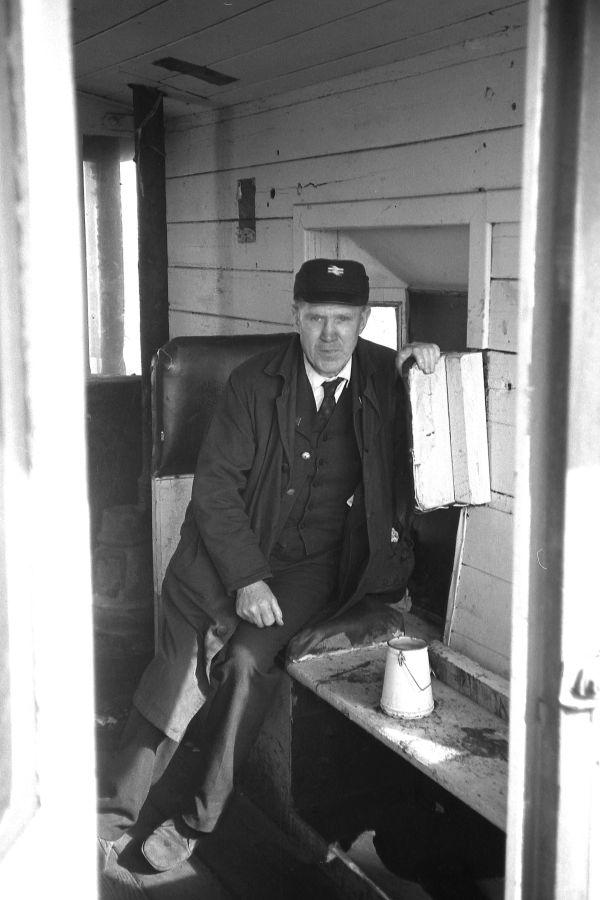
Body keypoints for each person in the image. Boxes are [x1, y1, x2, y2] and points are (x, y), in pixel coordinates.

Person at [97, 258, 440, 873]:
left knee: (253, 662)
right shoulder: (253, 383)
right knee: (180, 671)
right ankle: (110, 816)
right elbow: (215, 490)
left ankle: (197, 821)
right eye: (315, 318)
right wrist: (246, 577)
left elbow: (437, 385)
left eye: (343, 319)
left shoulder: (383, 378)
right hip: (221, 557)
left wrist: (424, 357)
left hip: (312, 568)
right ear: (296, 316)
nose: (328, 334)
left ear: (363, 321)